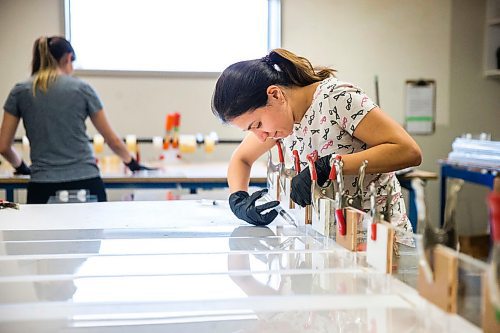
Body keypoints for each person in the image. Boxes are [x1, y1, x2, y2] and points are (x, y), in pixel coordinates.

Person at [211, 48, 422, 245]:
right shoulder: (283, 123)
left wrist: (329, 165)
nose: (260, 136)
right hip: (330, 241)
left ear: (275, 95)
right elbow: (242, 159)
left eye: (257, 124)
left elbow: (408, 151)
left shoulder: (337, 99)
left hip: (380, 243)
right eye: (251, 130)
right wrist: (238, 198)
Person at [0, 36, 150, 204]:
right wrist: (132, 163)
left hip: (42, 186)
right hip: (86, 181)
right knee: (91, 231)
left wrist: (22, 168)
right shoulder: (82, 89)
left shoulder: (20, 91)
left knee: (43, 232)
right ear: (68, 57)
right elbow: (112, 140)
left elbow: (4, 146)